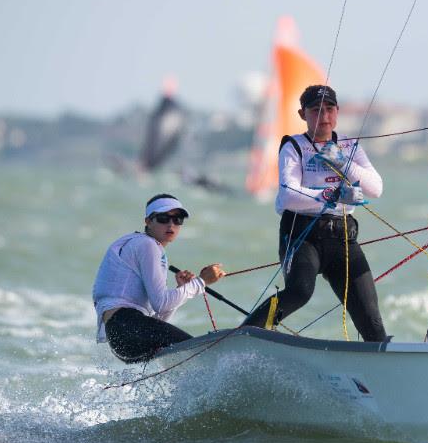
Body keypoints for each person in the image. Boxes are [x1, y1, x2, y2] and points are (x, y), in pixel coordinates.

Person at [241, 85, 387, 342]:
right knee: (300, 291)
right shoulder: (293, 147)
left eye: (330, 109)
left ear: (337, 112)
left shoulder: (350, 147)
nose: (324, 116)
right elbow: (287, 195)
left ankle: (383, 369)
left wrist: (342, 162)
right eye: (316, 110)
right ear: (302, 114)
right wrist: (328, 196)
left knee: (371, 319)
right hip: (302, 236)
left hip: (342, 237)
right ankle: (244, 336)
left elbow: (375, 188)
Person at [92, 193, 224, 362]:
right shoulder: (147, 245)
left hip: (120, 337)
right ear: (148, 221)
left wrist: (180, 290)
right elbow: (161, 303)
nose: (171, 224)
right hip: (126, 326)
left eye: (178, 219)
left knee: (192, 358)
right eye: (163, 218)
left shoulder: (140, 244)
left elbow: (158, 318)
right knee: (201, 356)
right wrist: (202, 281)